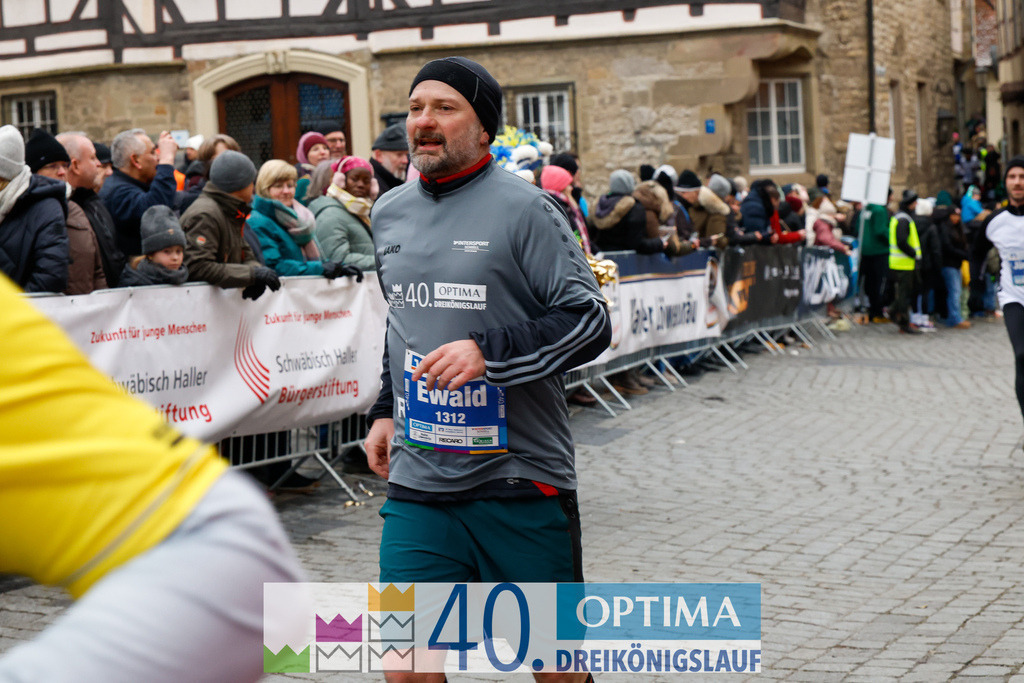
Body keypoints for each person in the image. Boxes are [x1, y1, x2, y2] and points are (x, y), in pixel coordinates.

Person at [364, 56, 609, 683]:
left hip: (519, 478)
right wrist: (386, 411)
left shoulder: (529, 209)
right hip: (420, 481)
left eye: (445, 108)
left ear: (484, 128)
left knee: (555, 668)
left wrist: (488, 353)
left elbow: (588, 320)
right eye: (417, 108)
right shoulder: (387, 211)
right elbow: (404, 322)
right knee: (407, 668)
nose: (424, 121)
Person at [0, 271, 305, 683]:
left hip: (203, 547)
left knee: (403, 652)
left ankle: (408, 636)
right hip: (211, 547)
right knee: (405, 660)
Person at [183, 150, 280, 299]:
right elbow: (197, 266)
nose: (253, 188)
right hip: (199, 310)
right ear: (240, 186)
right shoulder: (205, 215)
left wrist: (256, 275)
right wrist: (251, 275)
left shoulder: (230, 209)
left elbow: (245, 254)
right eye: (251, 182)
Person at [972, 157, 1024, 422]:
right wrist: (976, 288)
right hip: (1014, 296)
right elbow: (977, 253)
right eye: (1012, 177)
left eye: (1022, 177)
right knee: (1022, 354)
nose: (1018, 182)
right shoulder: (995, 221)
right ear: (1005, 183)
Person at [248, 158, 360, 279]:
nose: (286, 191)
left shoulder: (300, 217)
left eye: (290, 185)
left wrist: (339, 267)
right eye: (278, 186)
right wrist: (321, 268)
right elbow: (274, 266)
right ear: (265, 189)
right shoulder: (259, 221)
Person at [28, 130, 107, 296]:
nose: (63, 172)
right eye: (52, 166)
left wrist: (103, 305)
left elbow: (97, 270)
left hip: (87, 310)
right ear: (34, 172)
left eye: (64, 165)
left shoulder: (76, 209)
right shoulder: (24, 212)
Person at [0, 125, 68, 294]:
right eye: (53, 166)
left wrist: (14, 312)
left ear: (4, 176)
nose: (62, 172)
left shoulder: (46, 208)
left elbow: (51, 275)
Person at [100, 128, 177, 257]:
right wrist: (167, 161)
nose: (158, 157)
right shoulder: (117, 192)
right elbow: (157, 213)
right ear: (136, 161)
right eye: (153, 152)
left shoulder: (127, 184)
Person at [311, 156, 377, 270]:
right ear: (341, 180)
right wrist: (382, 262)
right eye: (355, 179)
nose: (361, 184)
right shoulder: (331, 214)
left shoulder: (360, 213)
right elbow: (337, 258)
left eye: (366, 181)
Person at [118, 205, 189, 286]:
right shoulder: (135, 282)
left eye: (178, 251)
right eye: (167, 252)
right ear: (150, 254)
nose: (175, 257)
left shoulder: (183, 278)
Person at [889, 189, 922, 334]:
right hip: (904, 263)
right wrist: (913, 253)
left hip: (900, 263)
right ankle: (902, 321)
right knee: (904, 295)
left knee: (903, 294)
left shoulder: (899, 217)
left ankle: (895, 314)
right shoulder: (904, 219)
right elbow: (902, 241)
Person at [540, 164, 591, 255]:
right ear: (559, 186)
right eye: (567, 185)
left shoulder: (565, 205)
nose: (571, 188)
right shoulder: (560, 209)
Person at [935, 202, 971, 329]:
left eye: (957, 216)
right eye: (953, 216)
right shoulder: (945, 229)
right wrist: (963, 254)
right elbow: (947, 247)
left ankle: (954, 316)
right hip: (949, 264)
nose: (956, 218)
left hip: (956, 263)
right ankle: (954, 318)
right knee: (954, 291)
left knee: (956, 291)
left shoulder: (957, 228)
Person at [859, 189, 892, 322]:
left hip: (865, 250)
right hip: (879, 251)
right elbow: (881, 230)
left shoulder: (866, 208)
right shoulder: (879, 210)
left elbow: (858, 228)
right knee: (878, 284)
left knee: (869, 283)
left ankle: (871, 310)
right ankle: (877, 312)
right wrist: (892, 237)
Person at [370, 123, 410, 197]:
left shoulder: (389, 183)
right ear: (379, 155)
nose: (405, 161)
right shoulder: (370, 186)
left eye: (406, 155)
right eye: (399, 155)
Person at [294, 132, 331, 203]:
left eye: (325, 148)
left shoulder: (336, 173)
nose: (323, 152)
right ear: (305, 155)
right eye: (315, 149)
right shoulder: (300, 177)